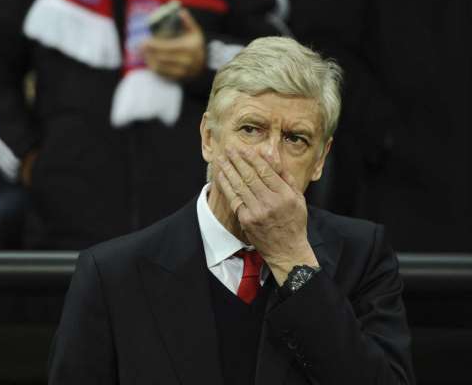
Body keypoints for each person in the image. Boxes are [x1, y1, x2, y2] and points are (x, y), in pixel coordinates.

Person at [48, 37, 416, 385]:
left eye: (295, 139)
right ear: (209, 138)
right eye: (251, 130)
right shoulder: (111, 274)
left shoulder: (362, 255)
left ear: (320, 159)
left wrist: (293, 260)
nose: (271, 157)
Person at [0, 0, 288, 249]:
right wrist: (26, 159)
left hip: (206, 230)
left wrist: (206, 60)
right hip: (68, 231)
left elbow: (286, 70)